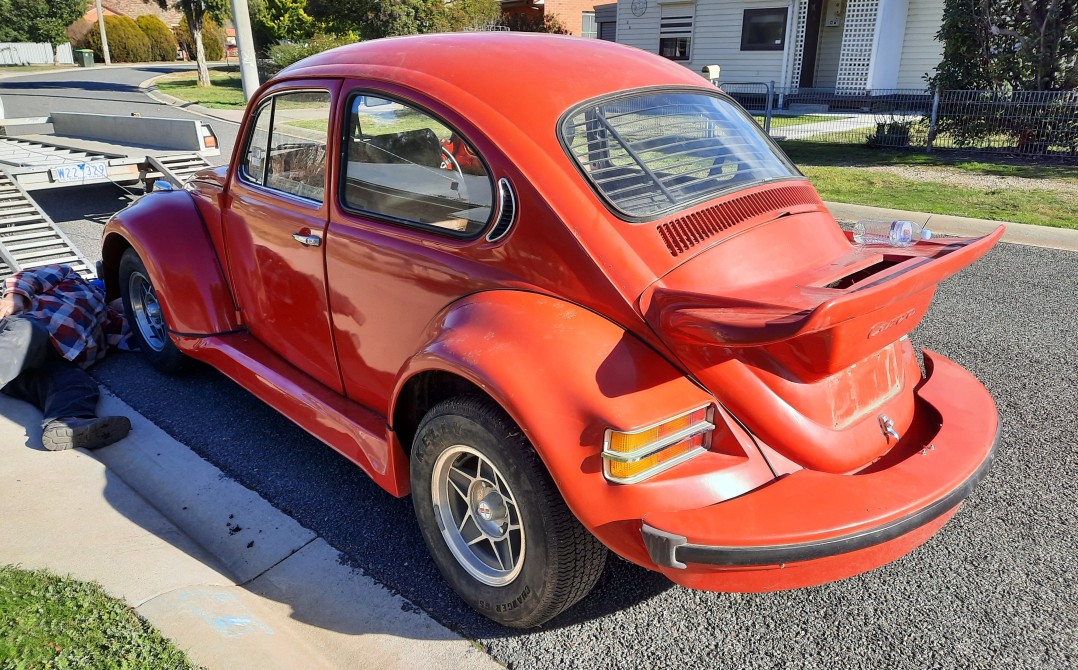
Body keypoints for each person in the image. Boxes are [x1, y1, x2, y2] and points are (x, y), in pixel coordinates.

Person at [0, 264, 131, 451]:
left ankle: (70, 423)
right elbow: (30, 277)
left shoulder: (114, 323)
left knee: (76, 382)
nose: (130, 303)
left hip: (43, 361)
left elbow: (152, 342)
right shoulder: (70, 277)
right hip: (23, 328)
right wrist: (15, 296)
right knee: (28, 334)